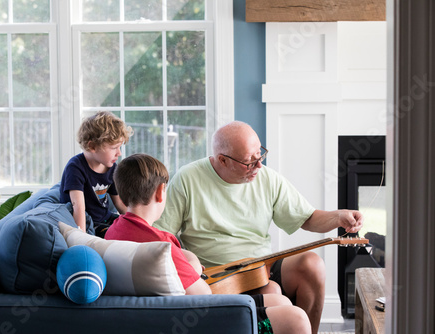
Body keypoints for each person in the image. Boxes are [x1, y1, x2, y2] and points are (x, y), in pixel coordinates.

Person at [154, 121, 364, 334]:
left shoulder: (267, 178)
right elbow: (161, 237)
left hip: (260, 268)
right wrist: (189, 262)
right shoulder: (187, 179)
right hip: (215, 276)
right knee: (273, 292)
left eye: (260, 154)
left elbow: (307, 218)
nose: (259, 166)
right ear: (223, 160)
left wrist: (339, 217)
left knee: (313, 265)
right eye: (249, 161)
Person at [105, 153, 311, 334]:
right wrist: (193, 267)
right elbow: (203, 295)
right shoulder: (161, 248)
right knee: (297, 319)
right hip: (203, 316)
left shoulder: (114, 230)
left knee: (280, 300)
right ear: (160, 192)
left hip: (161, 311)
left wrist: (190, 260)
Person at [59, 111, 133, 236]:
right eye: (114, 148)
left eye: (119, 148)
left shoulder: (111, 168)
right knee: (118, 235)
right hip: (89, 223)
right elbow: (78, 207)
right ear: (92, 146)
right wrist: (81, 237)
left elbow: (119, 202)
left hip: (106, 219)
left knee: (133, 231)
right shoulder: (76, 167)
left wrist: (136, 223)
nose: (119, 153)